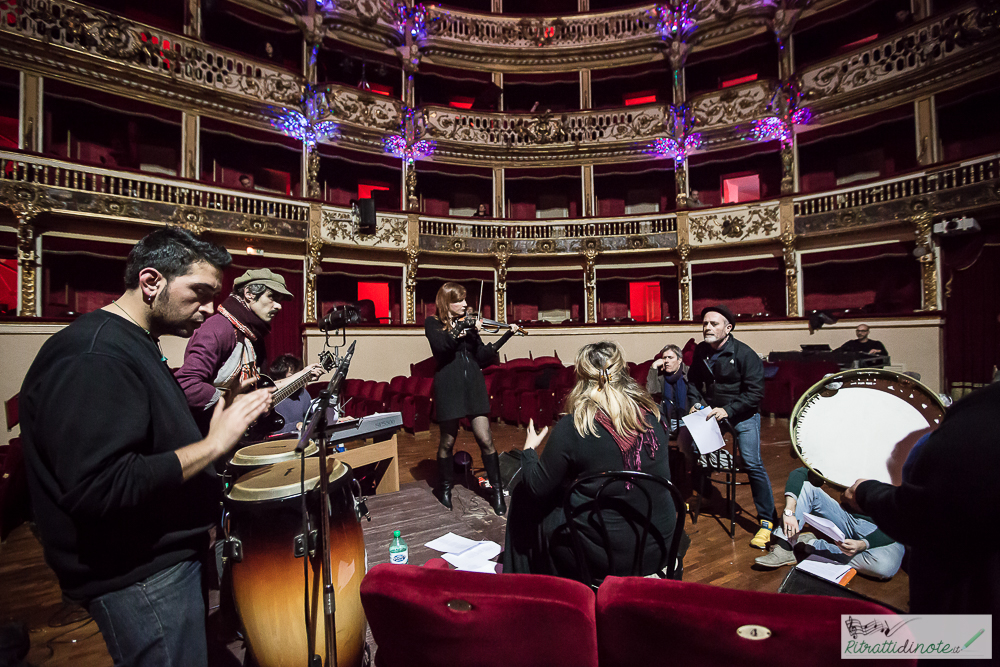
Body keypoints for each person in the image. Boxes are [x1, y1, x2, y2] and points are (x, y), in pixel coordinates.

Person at [19, 227, 273, 667]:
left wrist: (220, 408)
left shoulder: (135, 343)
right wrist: (214, 445)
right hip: (140, 576)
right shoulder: (94, 356)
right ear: (151, 282)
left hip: (159, 563)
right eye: (199, 292)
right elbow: (100, 485)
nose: (210, 308)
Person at [503, 341, 677, 580]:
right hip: (661, 543)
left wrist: (529, 451)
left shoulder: (574, 426)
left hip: (608, 556)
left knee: (525, 494)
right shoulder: (654, 415)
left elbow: (536, 487)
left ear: (582, 377)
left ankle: (528, 583)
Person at [843, 381, 1000, 614]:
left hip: (968, 623)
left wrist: (867, 492)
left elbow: (921, 513)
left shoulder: (983, 415)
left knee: (848, 639)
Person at [175, 268, 323, 434]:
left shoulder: (251, 335)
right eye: (272, 297)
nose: (279, 306)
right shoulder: (219, 328)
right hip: (208, 436)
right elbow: (186, 385)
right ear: (249, 294)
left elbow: (258, 387)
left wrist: (304, 373)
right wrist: (231, 401)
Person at [425, 282, 520, 515]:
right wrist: (459, 331)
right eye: (460, 301)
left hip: (473, 385)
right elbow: (442, 350)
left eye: (466, 300)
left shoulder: (469, 326)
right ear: (447, 302)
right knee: (447, 441)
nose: (466, 304)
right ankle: (445, 489)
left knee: (485, 439)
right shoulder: (433, 324)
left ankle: (497, 492)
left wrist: (506, 336)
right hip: (449, 385)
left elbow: (482, 357)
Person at [687, 304, 776, 549]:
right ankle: (706, 497)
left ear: (728, 328)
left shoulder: (745, 354)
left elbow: (755, 393)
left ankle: (767, 521)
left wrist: (728, 410)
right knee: (700, 455)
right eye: (705, 323)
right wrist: (695, 403)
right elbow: (693, 381)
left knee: (752, 463)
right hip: (711, 413)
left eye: (713, 323)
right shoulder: (701, 351)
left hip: (742, 415)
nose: (707, 327)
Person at [754, 467, 904, 579]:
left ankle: (811, 544)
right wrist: (789, 510)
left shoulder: (899, 470)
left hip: (886, 530)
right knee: (807, 486)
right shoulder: (847, 458)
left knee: (884, 568)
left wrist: (863, 544)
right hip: (849, 517)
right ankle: (784, 546)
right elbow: (801, 473)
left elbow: (901, 524)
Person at [645, 343, 687, 437]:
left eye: (670, 357)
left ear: (679, 360)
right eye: (664, 358)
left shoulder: (688, 373)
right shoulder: (661, 376)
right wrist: (654, 367)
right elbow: (651, 391)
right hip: (667, 420)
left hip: (687, 420)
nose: (666, 361)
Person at [268, 354, 313, 435]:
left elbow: (310, 418)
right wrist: (295, 426)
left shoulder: (302, 393)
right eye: (292, 376)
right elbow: (268, 430)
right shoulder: (269, 397)